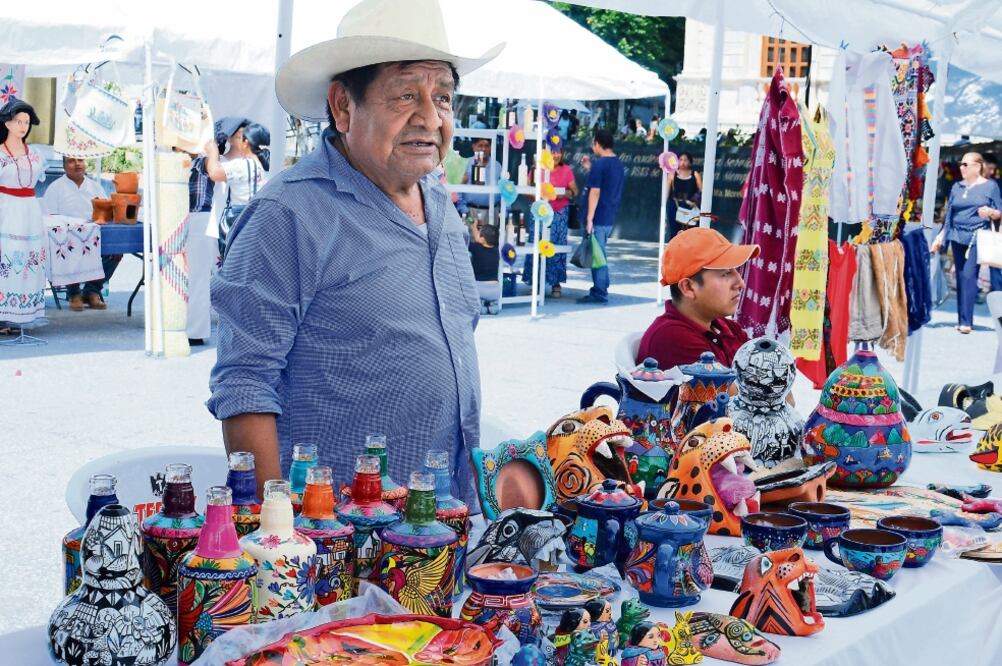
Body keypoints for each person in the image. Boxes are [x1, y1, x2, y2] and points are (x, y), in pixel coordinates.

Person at [207, 0, 502, 501]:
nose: (430, 119)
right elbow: (245, 388)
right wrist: (282, 540)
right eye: (405, 95)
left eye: (444, 98)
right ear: (343, 106)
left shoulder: (436, 199)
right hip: (335, 543)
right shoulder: (289, 214)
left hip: (442, 523)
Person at [638, 227, 760, 369]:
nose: (741, 283)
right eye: (726, 274)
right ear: (688, 288)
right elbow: (759, 388)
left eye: (736, 271)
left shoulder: (725, 326)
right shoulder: (673, 338)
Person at [931, 151, 1002, 334]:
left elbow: (999, 212)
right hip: (956, 235)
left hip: (977, 236)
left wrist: (990, 212)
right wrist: (941, 237)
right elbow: (949, 215)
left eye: (965, 164)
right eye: (961, 164)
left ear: (977, 167)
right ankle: (962, 318)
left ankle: (967, 321)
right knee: (961, 276)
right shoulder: (957, 187)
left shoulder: (990, 186)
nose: (961, 168)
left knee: (969, 275)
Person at [42, 156, 122, 311]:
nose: (77, 164)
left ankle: (91, 290)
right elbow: (49, 218)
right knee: (70, 247)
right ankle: (74, 293)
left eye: (80, 160)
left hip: (93, 234)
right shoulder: (55, 188)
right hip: (66, 235)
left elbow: (106, 212)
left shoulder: (95, 186)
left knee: (116, 251)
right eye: (71, 161)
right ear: (64, 166)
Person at [0, 99, 47, 335]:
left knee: (27, 259)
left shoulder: (36, 155)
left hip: (29, 209)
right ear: (7, 123)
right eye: (18, 121)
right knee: (6, 258)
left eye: (26, 122)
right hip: (6, 209)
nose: (22, 126)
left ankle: (20, 314)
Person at [203, 119, 269, 258]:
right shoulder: (258, 165)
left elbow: (214, 173)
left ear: (246, 143)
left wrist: (212, 153)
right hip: (251, 218)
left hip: (237, 218)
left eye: (241, 137)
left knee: (230, 261)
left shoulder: (242, 165)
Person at [577, 128, 625, 304]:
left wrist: (589, 219)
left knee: (597, 256)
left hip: (597, 217)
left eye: (593, 143)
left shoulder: (600, 164)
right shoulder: (617, 164)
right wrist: (591, 168)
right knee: (600, 253)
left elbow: (595, 192)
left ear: (597, 143)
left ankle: (599, 291)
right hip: (609, 216)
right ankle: (602, 286)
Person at [523, 145, 577, 297]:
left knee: (557, 246)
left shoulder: (566, 170)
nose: (556, 155)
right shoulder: (536, 169)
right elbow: (527, 190)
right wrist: (538, 198)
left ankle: (556, 283)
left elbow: (574, 191)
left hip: (559, 214)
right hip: (539, 213)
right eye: (552, 152)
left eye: (559, 152)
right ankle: (534, 281)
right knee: (536, 244)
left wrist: (565, 193)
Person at [455, 136, 501, 220]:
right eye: (480, 145)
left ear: (491, 148)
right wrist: (464, 210)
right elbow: (457, 190)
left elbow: (505, 188)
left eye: (487, 146)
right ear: (473, 147)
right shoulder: (466, 164)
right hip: (470, 211)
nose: (483, 149)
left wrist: (503, 212)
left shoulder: (497, 165)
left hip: (492, 212)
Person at [667, 151, 702, 239]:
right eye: (680, 159)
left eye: (685, 160)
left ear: (690, 162)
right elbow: (667, 193)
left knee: (689, 233)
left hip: (689, 207)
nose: (683, 162)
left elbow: (702, 191)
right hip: (675, 206)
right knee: (674, 231)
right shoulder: (672, 175)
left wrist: (695, 201)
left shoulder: (695, 175)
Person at [468, 220, 500, 314]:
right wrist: (474, 228)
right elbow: (479, 239)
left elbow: (465, 241)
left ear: (482, 239)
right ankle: (492, 304)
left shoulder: (476, 248)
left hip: (480, 289)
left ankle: (480, 304)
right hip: (495, 290)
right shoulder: (496, 250)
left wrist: (473, 227)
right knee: (491, 298)